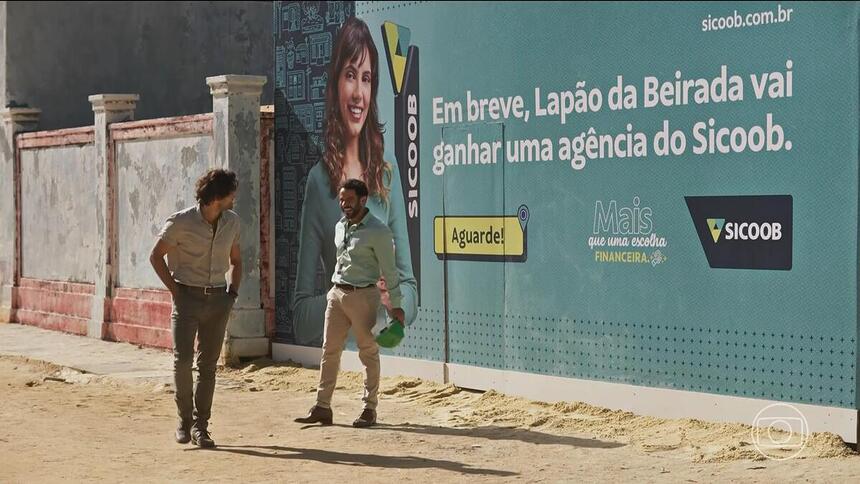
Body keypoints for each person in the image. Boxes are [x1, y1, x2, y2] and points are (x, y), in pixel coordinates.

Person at [292, 15, 417, 347]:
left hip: (386, 353)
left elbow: (410, 289)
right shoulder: (319, 183)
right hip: (341, 351)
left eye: (367, 78)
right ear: (335, 84)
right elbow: (302, 319)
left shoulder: (387, 174)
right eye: (350, 75)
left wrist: (393, 300)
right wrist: (351, 292)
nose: (359, 93)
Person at [295, 179, 405, 428]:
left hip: (364, 297)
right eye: (342, 200)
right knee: (329, 350)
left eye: (349, 200)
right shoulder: (340, 226)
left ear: (363, 200)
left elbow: (390, 270)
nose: (344, 204)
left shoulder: (379, 231)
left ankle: (369, 408)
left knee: (368, 352)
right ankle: (323, 406)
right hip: (336, 295)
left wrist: (396, 306)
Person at [149, 169, 242, 448]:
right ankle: (184, 421)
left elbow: (237, 260)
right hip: (186, 298)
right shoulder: (181, 222)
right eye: (231, 194)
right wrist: (176, 292)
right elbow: (155, 256)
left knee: (209, 366)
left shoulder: (233, 222)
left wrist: (232, 293)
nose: (234, 198)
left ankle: (202, 427)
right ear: (217, 197)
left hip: (218, 300)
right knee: (183, 361)